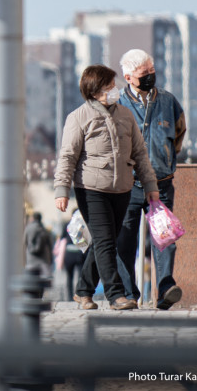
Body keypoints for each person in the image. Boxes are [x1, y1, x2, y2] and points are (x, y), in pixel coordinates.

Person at [53, 64, 159, 311]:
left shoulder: (125, 115)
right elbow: (67, 156)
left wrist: (150, 184)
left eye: (114, 85)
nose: (115, 90)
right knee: (105, 242)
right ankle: (115, 295)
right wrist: (61, 189)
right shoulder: (78, 117)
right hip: (91, 189)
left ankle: (83, 291)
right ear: (94, 90)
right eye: (109, 86)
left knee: (104, 240)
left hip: (122, 188)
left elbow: (140, 154)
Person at [116, 49, 186, 310]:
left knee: (165, 237)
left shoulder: (168, 101)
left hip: (161, 183)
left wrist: (167, 155)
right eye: (144, 73)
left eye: (152, 71)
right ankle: (128, 293)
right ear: (128, 77)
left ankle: (166, 287)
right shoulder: (118, 104)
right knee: (125, 239)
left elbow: (179, 131)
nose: (150, 77)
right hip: (128, 184)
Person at [24, 212, 53, 281]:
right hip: (43, 259)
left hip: (31, 258)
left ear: (32, 218)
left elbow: (25, 241)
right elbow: (50, 244)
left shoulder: (28, 228)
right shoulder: (44, 229)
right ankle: (41, 292)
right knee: (43, 280)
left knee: (31, 280)